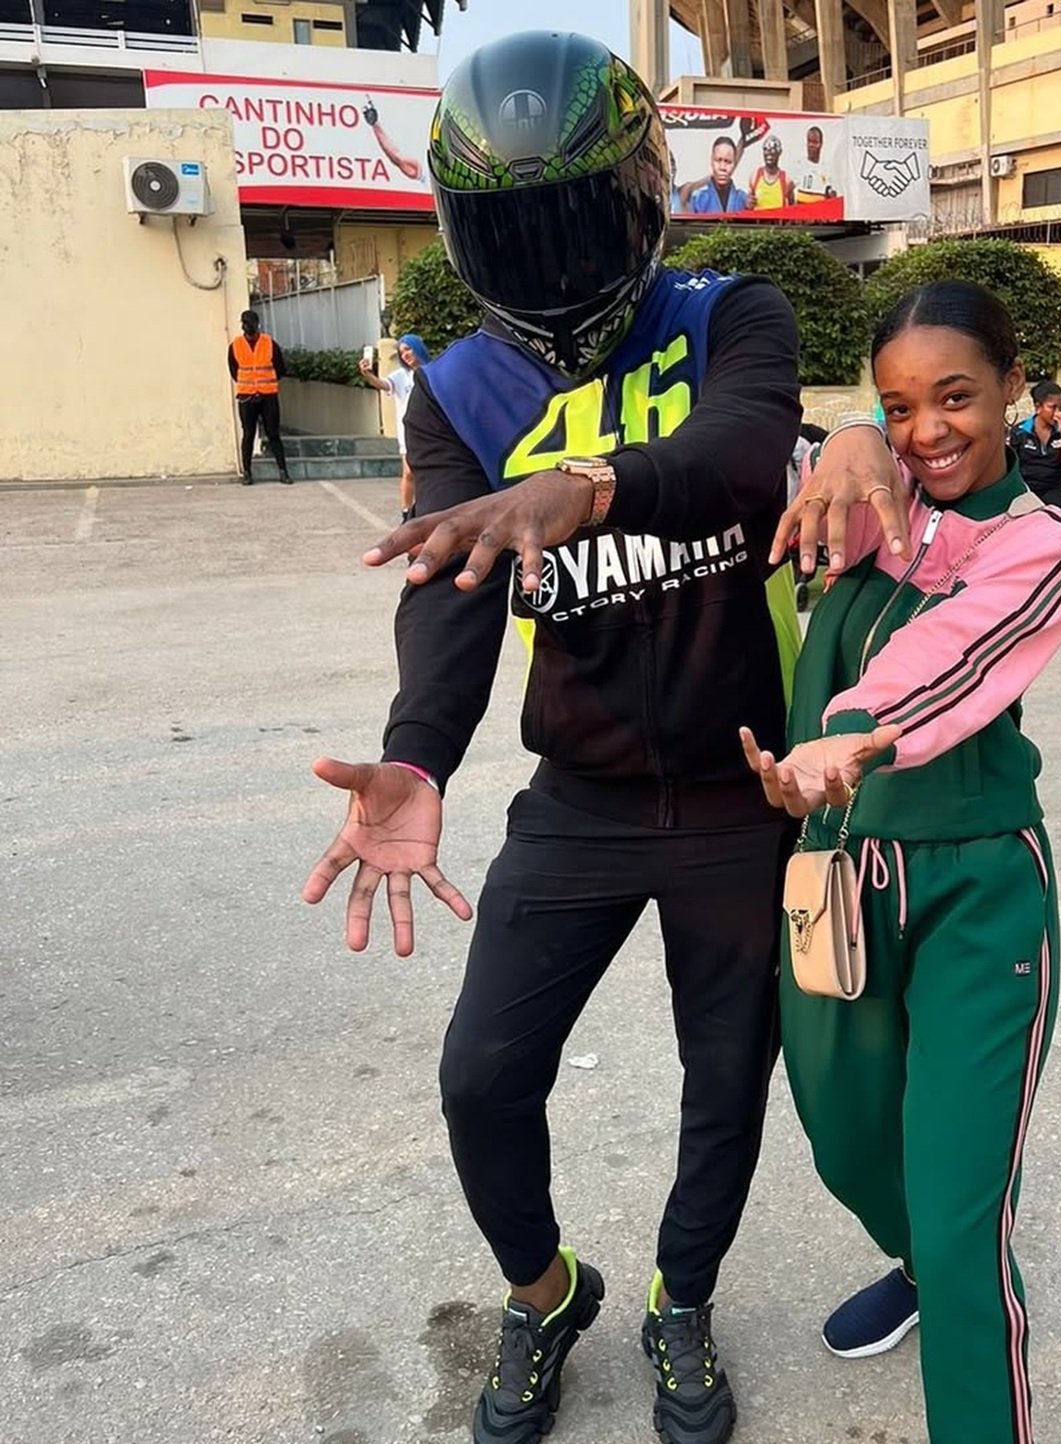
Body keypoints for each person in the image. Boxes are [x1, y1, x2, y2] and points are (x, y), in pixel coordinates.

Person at [302, 33, 808, 1444]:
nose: (546, 256)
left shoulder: (731, 314)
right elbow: (451, 590)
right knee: (480, 1079)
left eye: (573, 218)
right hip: (578, 796)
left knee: (727, 1086)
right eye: (510, 229)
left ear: (643, 196)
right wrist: (416, 756)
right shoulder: (459, 388)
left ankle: (682, 1298)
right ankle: (546, 1293)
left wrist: (583, 488)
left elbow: (744, 451)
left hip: (737, 795)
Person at [741, 280, 1061, 1444]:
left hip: (976, 895)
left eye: (956, 397)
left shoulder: (1049, 545)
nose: (929, 429)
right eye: (900, 406)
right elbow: (764, 484)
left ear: (1013, 388)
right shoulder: (872, 500)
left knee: (963, 1225)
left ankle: (948, 1282)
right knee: (845, 1138)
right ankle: (915, 1260)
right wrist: (851, 435)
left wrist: (849, 735)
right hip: (838, 879)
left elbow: (954, 653)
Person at [359, 333, 431, 521]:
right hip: (408, 432)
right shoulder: (401, 376)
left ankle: (425, 510)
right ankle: (406, 513)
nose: (406, 355)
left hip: (431, 431)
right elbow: (383, 384)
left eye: (408, 349)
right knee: (409, 472)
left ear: (418, 348)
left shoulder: (433, 371)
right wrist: (368, 375)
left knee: (428, 473)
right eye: (401, 352)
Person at [229, 310, 291, 485]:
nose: (248, 327)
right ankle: (247, 473)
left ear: (257, 325)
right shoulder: (235, 346)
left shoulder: (269, 343)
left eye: (251, 324)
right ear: (242, 325)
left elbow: (280, 369)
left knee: (273, 434)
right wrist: (249, 384)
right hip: (246, 397)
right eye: (245, 323)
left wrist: (264, 383)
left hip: (268, 396)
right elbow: (234, 371)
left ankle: (283, 471)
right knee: (248, 435)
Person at [1010, 380, 1061, 514]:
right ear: (1038, 407)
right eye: (1052, 407)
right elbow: (1010, 466)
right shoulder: (1020, 432)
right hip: (1025, 489)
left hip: (1053, 488)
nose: (1058, 413)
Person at [689, 136, 749, 214]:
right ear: (711, 161)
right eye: (718, 160)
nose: (722, 167)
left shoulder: (743, 199)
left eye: (728, 162)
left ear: (734, 164)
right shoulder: (697, 199)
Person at [748, 135, 795, 209]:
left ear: (779, 152)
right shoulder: (755, 176)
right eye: (766, 150)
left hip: (778, 216)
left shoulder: (786, 179)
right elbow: (748, 204)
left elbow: (792, 208)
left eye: (773, 150)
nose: (769, 154)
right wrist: (748, 203)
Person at [796, 125, 836, 203]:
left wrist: (831, 194)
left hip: (819, 209)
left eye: (815, 142)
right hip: (802, 209)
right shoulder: (799, 166)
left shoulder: (826, 169)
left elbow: (831, 194)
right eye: (809, 141)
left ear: (821, 144)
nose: (811, 145)